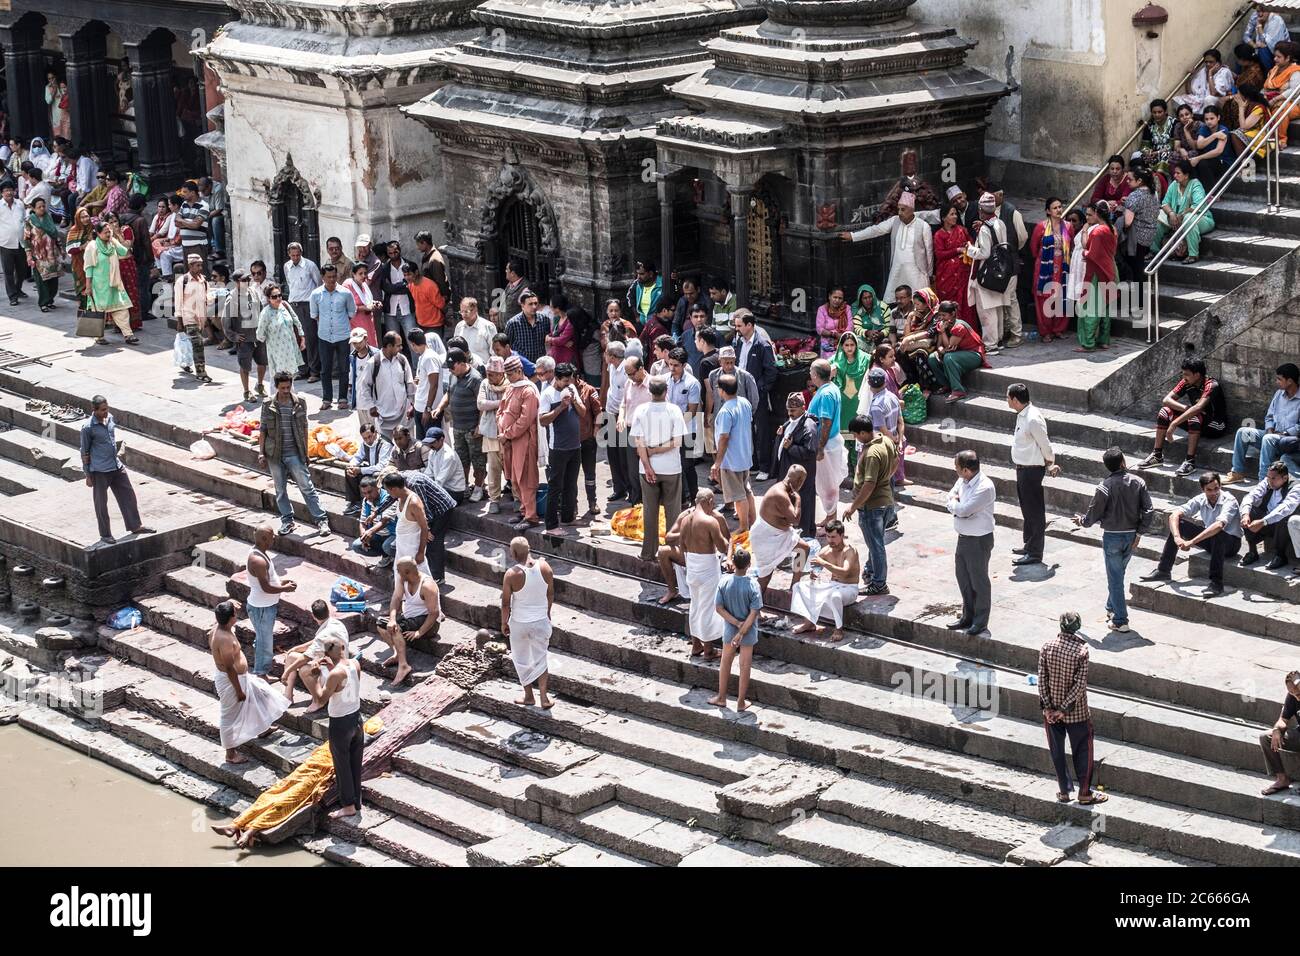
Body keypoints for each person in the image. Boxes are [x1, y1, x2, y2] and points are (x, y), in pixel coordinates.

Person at [1074, 447, 1153, 634]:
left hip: (1112, 537)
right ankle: (1111, 608)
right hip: (1132, 535)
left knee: (1115, 579)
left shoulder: (1104, 486)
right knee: (1118, 575)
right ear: (1123, 462)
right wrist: (1140, 533)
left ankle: (1121, 620)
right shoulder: (1138, 482)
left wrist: (1082, 521)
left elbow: (1093, 512)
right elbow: (1149, 511)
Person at [1038, 611, 1106, 805]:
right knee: (1083, 749)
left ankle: (1064, 791)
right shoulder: (1082, 651)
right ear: (1078, 627)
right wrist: (1065, 709)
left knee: (1057, 750)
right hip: (1077, 713)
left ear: (1060, 626)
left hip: (1051, 714)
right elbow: (1079, 685)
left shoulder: (1047, 647)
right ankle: (1085, 793)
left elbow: (1042, 680)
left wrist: (1049, 708)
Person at [209, 600, 289, 765]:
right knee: (229, 716)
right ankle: (230, 754)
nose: (236, 616)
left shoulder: (221, 629)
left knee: (262, 695)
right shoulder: (223, 638)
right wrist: (238, 690)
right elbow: (230, 667)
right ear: (231, 618)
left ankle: (263, 728)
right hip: (232, 681)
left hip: (241, 677)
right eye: (235, 615)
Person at [1140, 471, 1243, 596]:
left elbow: (1219, 525)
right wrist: (1178, 538)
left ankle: (1216, 583)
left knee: (1218, 533)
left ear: (1220, 486)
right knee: (1180, 524)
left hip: (1230, 544)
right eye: (1209, 490)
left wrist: (1191, 542)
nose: (1214, 493)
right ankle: (1163, 570)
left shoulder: (1229, 500)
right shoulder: (1200, 499)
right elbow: (1174, 515)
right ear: (1203, 489)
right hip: (1211, 541)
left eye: (1216, 488)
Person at [655, 490, 730, 656]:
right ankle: (709, 650)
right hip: (707, 567)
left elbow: (682, 548)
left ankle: (696, 645)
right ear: (709, 501)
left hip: (692, 566)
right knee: (707, 608)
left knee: (695, 606)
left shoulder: (685, 520)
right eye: (713, 503)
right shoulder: (710, 521)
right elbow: (724, 547)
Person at [259, 371, 330, 536]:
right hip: (274, 454)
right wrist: (261, 453)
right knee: (280, 490)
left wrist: (305, 452)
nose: (285, 391)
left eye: (288, 387)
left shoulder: (300, 403)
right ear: (276, 387)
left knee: (307, 487)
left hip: (295, 453)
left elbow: (305, 428)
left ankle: (321, 520)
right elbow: (262, 429)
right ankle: (287, 520)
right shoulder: (267, 404)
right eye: (282, 387)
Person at [80, 396, 155, 546]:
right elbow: (84, 452)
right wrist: (88, 475)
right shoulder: (88, 428)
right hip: (100, 470)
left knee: (128, 495)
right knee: (101, 504)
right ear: (94, 410)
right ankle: (105, 534)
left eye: (107, 408)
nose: (106, 412)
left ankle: (135, 525)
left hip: (116, 466)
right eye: (102, 410)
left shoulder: (110, 418)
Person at [1136, 357, 1229, 476]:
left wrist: (1174, 423)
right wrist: (1185, 409)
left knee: (1195, 415)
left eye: (1187, 374)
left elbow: (1198, 407)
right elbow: (1167, 400)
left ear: (1197, 375)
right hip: (1198, 421)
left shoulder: (1211, 385)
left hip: (1216, 426)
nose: (1183, 377)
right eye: (1183, 374)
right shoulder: (1186, 382)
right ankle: (1157, 455)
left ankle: (1190, 462)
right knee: (1164, 412)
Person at [631, 376, 687, 562]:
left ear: (650, 392)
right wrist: (658, 450)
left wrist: (647, 465)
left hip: (647, 468)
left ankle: (648, 552)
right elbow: (677, 441)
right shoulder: (674, 410)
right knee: (673, 512)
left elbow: (639, 443)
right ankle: (673, 550)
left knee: (650, 511)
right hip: (671, 468)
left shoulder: (641, 410)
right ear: (666, 392)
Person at [839, 191, 934, 299]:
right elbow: (875, 230)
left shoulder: (923, 226)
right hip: (897, 270)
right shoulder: (894, 221)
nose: (899, 212)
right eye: (898, 209)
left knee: (919, 301)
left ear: (912, 210)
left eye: (903, 209)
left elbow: (929, 252)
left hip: (917, 273)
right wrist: (853, 236)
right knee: (890, 300)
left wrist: (929, 274)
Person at [842, 415, 897, 595]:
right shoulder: (886, 441)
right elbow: (896, 461)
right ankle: (871, 571)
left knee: (876, 546)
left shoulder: (872, 454)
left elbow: (869, 484)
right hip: (886, 502)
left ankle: (879, 583)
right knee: (877, 542)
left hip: (872, 507)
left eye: (857, 435)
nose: (856, 439)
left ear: (864, 433)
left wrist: (853, 506)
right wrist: (886, 478)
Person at [1007, 384, 1060, 566]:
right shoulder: (1022, 415)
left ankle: (1035, 552)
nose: (1007, 401)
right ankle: (1029, 545)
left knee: (1035, 512)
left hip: (1032, 470)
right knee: (1026, 509)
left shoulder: (1033, 418)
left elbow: (1045, 444)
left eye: (1008, 398)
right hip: (1022, 468)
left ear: (1015, 399)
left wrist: (1050, 462)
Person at [313, 635, 365, 820]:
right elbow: (347, 683)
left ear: (326, 654)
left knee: (341, 763)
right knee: (355, 761)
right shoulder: (354, 664)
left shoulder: (334, 674)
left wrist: (318, 675)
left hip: (340, 723)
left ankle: (348, 806)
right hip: (356, 718)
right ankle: (356, 800)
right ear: (343, 648)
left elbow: (320, 698)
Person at [946, 450, 996, 636]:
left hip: (978, 540)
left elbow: (965, 510)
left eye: (957, 468)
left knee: (979, 581)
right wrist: (955, 503)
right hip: (964, 537)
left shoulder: (985, 487)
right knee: (964, 578)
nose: (956, 471)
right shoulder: (963, 481)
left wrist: (954, 505)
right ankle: (967, 616)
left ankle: (980, 621)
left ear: (966, 470)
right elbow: (951, 495)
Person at [501, 536, 555, 708]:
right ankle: (544, 698)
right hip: (540, 621)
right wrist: (547, 612)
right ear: (529, 548)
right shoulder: (545, 567)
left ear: (515, 553)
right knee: (541, 658)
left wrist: (504, 623)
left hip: (519, 623)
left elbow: (505, 603)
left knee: (521, 658)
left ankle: (529, 696)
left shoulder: (511, 574)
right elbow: (551, 594)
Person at [1226, 363, 1300, 484]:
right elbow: (1269, 416)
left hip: (1289, 441)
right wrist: (1270, 429)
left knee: (1268, 439)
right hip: (1273, 436)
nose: (1277, 382)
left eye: (1279, 379)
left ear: (1290, 381)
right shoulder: (1278, 395)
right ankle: (1237, 472)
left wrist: (1284, 433)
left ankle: (1263, 482)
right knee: (1243, 432)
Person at [708, 546, 762, 712]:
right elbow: (753, 614)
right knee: (745, 666)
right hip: (748, 631)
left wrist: (736, 625)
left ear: (734, 563)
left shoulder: (724, 581)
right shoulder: (753, 585)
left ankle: (721, 697)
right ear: (748, 565)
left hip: (730, 629)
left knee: (726, 662)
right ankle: (740, 702)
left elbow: (718, 608)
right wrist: (742, 631)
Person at [749, 465, 811, 605]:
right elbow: (795, 520)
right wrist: (799, 499)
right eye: (802, 482)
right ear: (799, 481)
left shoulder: (787, 490)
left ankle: (794, 587)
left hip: (781, 533)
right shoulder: (780, 494)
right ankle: (753, 607)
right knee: (765, 577)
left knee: (804, 548)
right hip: (766, 537)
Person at [790, 519, 861, 641]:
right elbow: (815, 567)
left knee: (834, 596)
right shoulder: (825, 551)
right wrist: (813, 574)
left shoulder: (850, 551)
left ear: (842, 535)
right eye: (828, 536)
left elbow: (845, 571)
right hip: (832, 585)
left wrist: (823, 563)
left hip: (849, 588)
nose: (830, 540)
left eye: (833, 537)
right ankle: (809, 622)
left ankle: (838, 629)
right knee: (799, 586)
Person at [244, 522, 297, 677]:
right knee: (265, 642)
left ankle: (260, 660)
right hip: (261, 608)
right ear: (262, 539)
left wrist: (281, 583)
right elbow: (265, 588)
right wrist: (285, 589)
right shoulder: (257, 560)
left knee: (263, 638)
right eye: (271, 536)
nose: (274, 538)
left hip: (266, 605)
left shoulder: (261, 552)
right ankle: (261, 674)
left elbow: (269, 581)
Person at [280, 600, 353, 710]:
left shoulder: (324, 634)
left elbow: (305, 658)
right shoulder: (337, 624)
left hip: (335, 673)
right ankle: (288, 696)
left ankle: (318, 701)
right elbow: (316, 642)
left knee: (305, 670)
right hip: (337, 665)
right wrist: (295, 649)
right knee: (291, 656)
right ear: (328, 611)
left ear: (313, 616)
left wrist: (286, 672)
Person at [966, 192, 1016, 352]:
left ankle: (990, 344)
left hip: (987, 273)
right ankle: (999, 340)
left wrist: (970, 249)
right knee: (998, 308)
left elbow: (984, 253)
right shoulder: (1000, 223)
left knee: (987, 311)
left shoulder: (984, 229)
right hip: (1000, 270)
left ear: (981, 210)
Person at [381, 557, 442, 686]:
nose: (397, 573)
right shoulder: (402, 580)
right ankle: (397, 653)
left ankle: (403, 666)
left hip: (427, 622)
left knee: (397, 628)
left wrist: (419, 632)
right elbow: (396, 598)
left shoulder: (427, 585)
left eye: (399, 571)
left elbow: (434, 613)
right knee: (381, 624)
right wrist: (392, 619)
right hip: (409, 617)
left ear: (407, 572)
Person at [733, 310, 779, 477]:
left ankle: (765, 467)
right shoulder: (739, 342)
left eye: (739, 326)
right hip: (740, 391)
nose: (736, 329)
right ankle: (754, 463)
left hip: (757, 395)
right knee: (746, 429)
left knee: (762, 430)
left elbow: (771, 371)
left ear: (749, 325)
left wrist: (760, 389)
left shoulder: (762, 345)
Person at [538, 361, 583, 530]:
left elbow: (583, 412)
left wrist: (574, 401)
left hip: (575, 446)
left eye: (570, 380)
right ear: (556, 379)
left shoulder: (572, 390)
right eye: (565, 380)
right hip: (558, 448)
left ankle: (568, 518)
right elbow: (542, 420)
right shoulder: (548, 394)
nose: (568, 383)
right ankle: (551, 525)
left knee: (571, 485)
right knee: (556, 486)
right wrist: (561, 407)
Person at [499, 355, 541, 529]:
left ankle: (531, 516)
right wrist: (502, 432)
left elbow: (525, 420)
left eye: (510, 374)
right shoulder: (510, 388)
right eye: (506, 374)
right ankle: (524, 511)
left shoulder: (528, 391)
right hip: (509, 441)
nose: (508, 378)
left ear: (519, 371)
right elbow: (501, 411)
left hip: (524, 440)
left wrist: (507, 434)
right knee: (515, 479)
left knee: (526, 477)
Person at [711, 374, 756, 531]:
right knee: (746, 490)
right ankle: (753, 522)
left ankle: (743, 527)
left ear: (722, 390)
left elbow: (724, 437)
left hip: (731, 460)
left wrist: (717, 463)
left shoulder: (725, 411)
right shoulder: (745, 403)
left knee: (738, 495)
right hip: (744, 455)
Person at [84, 220, 138, 346]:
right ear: (98, 233)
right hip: (99, 285)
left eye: (109, 232)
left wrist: (116, 236)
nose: (108, 234)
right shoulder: (92, 246)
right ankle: (98, 336)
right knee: (99, 311)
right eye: (105, 232)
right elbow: (89, 267)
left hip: (114, 283)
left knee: (121, 308)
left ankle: (128, 335)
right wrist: (88, 286)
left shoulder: (112, 243)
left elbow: (125, 252)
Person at [773, 392, 820, 538]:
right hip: (788, 472)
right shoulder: (791, 421)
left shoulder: (808, 427)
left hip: (801, 478)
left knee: (802, 505)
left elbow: (810, 452)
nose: (790, 413)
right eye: (788, 410)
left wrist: (791, 448)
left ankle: (804, 535)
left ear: (802, 408)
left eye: (793, 410)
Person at [808, 359, 848, 529]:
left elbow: (826, 422)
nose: (810, 375)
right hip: (830, 442)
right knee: (828, 484)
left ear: (816, 375)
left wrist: (820, 448)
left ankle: (832, 520)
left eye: (811, 372)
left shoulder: (826, 394)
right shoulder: (831, 388)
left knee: (827, 485)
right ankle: (830, 517)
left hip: (827, 445)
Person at [310, 265, 357, 409]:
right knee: (325, 369)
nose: (331, 280)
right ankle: (327, 399)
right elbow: (315, 315)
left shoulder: (345, 293)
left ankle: (342, 398)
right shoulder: (316, 294)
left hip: (343, 335)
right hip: (324, 336)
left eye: (334, 276)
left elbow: (351, 312)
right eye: (328, 277)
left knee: (344, 368)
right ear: (323, 277)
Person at [1074, 202, 1118, 352]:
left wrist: (1084, 253)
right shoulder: (1113, 229)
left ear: (1097, 214)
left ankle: (1088, 343)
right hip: (1111, 271)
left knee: (1089, 309)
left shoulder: (1098, 231)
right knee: (1105, 309)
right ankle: (1104, 340)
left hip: (1097, 273)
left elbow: (1091, 252)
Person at [1240, 461, 1300, 570]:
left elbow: (1285, 508)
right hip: (1266, 520)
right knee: (1249, 510)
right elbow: (1250, 497)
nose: (1270, 481)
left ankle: (1280, 555)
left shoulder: (1296, 487)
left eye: (1273, 478)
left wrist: (1263, 521)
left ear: (1285, 478)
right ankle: (1252, 551)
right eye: (1268, 477)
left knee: (1285, 518)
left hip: (1282, 526)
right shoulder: (1267, 482)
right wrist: (1245, 514)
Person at [926, 300, 988, 404]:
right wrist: (940, 349)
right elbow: (940, 346)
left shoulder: (959, 327)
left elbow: (948, 346)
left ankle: (958, 390)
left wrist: (942, 333)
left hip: (973, 355)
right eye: (940, 315)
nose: (941, 318)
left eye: (944, 315)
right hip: (957, 353)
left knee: (948, 357)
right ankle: (946, 384)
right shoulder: (942, 325)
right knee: (932, 358)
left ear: (953, 314)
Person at [1151, 159, 1212, 265]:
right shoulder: (1174, 185)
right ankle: (1154, 251)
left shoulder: (1196, 185)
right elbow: (1165, 203)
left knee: (1189, 218)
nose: (1175, 175)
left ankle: (1193, 254)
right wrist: (1171, 213)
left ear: (1186, 175)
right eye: (1174, 173)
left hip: (1201, 218)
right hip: (1176, 219)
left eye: (1178, 173)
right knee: (1157, 216)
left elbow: (1198, 206)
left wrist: (1181, 216)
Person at [1029, 198, 1072, 342]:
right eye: (1055, 208)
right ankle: (1045, 331)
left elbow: (1070, 247)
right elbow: (1034, 248)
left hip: (1062, 267)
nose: (1059, 210)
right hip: (1044, 268)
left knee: (1062, 297)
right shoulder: (1041, 227)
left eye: (1060, 207)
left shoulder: (1068, 226)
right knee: (1044, 299)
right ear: (1048, 211)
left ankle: (1059, 329)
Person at [832, 331, 870, 473]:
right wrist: (831, 372)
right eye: (846, 345)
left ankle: (857, 467)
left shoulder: (866, 360)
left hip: (858, 404)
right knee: (844, 439)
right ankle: (845, 468)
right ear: (841, 346)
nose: (849, 348)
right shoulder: (834, 361)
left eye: (852, 345)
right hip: (842, 406)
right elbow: (823, 374)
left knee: (857, 437)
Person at [618, 355, 652, 506]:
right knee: (632, 470)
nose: (630, 377)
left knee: (648, 468)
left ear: (641, 369)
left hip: (648, 433)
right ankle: (636, 501)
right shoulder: (628, 384)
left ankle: (650, 502)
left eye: (632, 373)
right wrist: (621, 417)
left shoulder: (654, 385)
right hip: (630, 431)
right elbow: (623, 404)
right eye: (627, 374)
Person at [1260, 671, 1300, 795]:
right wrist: (1277, 729)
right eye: (1292, 692)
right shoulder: (1292, 697)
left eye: (1298, 692)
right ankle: (1282, 779)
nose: (1296, 696)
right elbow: (1283, 719)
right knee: (1266, 737)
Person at [478, 355, 509, 513]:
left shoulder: (510, 384)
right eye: (487, 373)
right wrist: (501, 403)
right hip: (490, 432)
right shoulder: (485, 384)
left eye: (491, 374)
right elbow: (481, 404)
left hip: (509, 434)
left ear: (500, 374)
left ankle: (517, 497)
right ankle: (494, 499)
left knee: (511, 466)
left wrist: (494, 405)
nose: (488, 377)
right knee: (494, 467)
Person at [255, 283, 306, 380]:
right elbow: (260, 334)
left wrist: (302, 337)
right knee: (279, 376)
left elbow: (296, 321)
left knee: (291, 374)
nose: (278, 298)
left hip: (291, 347)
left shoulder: (285, 305)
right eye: (274, 297)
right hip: (277, 350)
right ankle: (277, 394)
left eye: (279, 295)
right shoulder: (266, 313)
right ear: (268, 298)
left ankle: (291, 394)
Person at [173, 253, 211, 382]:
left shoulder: (203, 281)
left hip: (201, 318)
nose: (200, 268)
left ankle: (186, 363)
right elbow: (178, 302)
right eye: (197, 265)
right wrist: (179, 321)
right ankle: (201, 372)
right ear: (190, 266)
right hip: (188, 318)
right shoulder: (182, 281)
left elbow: (208, 299)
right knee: (198, 344)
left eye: (201, 265)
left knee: (193, 344)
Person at [341, 422, 392, 515]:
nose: (368, 440)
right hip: (371, 470)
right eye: (365, 438)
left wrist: (360, 470)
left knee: (376, 474)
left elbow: (381, 467)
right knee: (349, 470)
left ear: (375, 433)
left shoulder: (385, 444)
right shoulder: (365, 444)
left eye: (370, 437)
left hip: (384, 473)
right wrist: (352, 466)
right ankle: (355, 502)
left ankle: (380, 503)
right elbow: (357, 457)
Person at [1119, 167, 1159, 286]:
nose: (1127, 181)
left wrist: (1126, 207)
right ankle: (1142, 301)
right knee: (1139, 267)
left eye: (1130, 179)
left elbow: (1127, 222)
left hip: (1136, 237)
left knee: (1136, 271)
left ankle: (1140, 301)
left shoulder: (1134, 196)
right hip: (1150, 235)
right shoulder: (1153, 193)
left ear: (1139, 181)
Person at [22, 195, 60, 312]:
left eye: (43, 206)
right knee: (41, 281)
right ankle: (43, 303)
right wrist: (29, 255)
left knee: (53, 280)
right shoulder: (30, 221)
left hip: (52, 254)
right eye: (39, 207)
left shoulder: (49, 218)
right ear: (33, 208)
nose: (42, 209)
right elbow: (26, 239)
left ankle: (50, 300)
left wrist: (61, 249)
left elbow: (55, 234)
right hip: (38, 256)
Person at [1174, 48, 1234, 115]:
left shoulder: (1224, 72)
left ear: (1218, 62)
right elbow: (1191, 93)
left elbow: (1214, 93)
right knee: (1177, 99)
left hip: (1218, 100)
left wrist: (1210, 74)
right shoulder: (1204, 71)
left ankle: (1206, 118)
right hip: (1202, 100)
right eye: (1206, 62)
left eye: (1211, 62)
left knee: (1209, 99)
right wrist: (1188, 78)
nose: (1208, 64)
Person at [351, 476, 397, 562]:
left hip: (392, 534)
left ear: (377, 487)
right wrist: (364, 537)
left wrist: (370, 532)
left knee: (388, 546)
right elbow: (362, 522)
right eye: (364, 493)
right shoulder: (366, 501)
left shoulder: (389, 498)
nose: (368, 496)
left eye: (370, 492)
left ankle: (394, 557)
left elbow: (385, 521)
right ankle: (386, 555)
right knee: (356, 545)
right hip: (376, 535)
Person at [0, 179, 28, 306]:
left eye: (10, 190)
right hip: (5, 243)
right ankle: (12, 296)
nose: (8, 192)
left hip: (21, 242)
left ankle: (18, 289)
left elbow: (24, 219)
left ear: (14, 191)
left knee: (22, 270)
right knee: (8, 272)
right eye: (6, 190)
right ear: (2, 193)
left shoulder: (20, 204)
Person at [505, 290, 551, 364]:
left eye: (535, 303)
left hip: (540, 364)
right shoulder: (513, 323)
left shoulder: (545, 320)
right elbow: (507, 346)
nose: (534, 306)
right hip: (521, 364)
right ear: (522, 305)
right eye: (530, 304)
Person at [1245, 2, 1290, 71]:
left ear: (1269, 10)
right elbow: (1246, 36)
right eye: (1258, 11)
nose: (1260, 14)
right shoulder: (1255, 16)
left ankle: (1269, 74)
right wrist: (1254, 45)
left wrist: (1259, 26)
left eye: (1263, 11)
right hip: (1263, 45)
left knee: (1262, 50)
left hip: (1280, 50)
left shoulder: (1276, 20)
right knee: (1242, 51)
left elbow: (1275, 45)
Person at [455, 296, 497, 368]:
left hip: (483, 370)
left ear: (475, 310)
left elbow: (495, 353)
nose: (463, 315)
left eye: (466, 311)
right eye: (461, 312)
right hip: (463, 371)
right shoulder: (459, 327)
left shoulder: (488, 326)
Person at [814, 286, 853, 358]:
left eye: (840, 298)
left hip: (844, 342)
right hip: (827, 345)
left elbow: (850, 326)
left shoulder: (847, 308)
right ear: (829, 297)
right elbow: (819, 329)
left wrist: (842, 336)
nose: (837, 300)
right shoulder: (822, 309)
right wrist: (834, 334)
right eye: (835, 297)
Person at [625, 259, 662, 327]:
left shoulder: (662, 284)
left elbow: (675, 291)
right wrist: (637, 316)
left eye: (641, 274)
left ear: (650, 274)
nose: (638, 277)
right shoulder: (637, 283)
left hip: (657, 325)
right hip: (642, 324)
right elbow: (629, 297)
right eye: (637, 273)